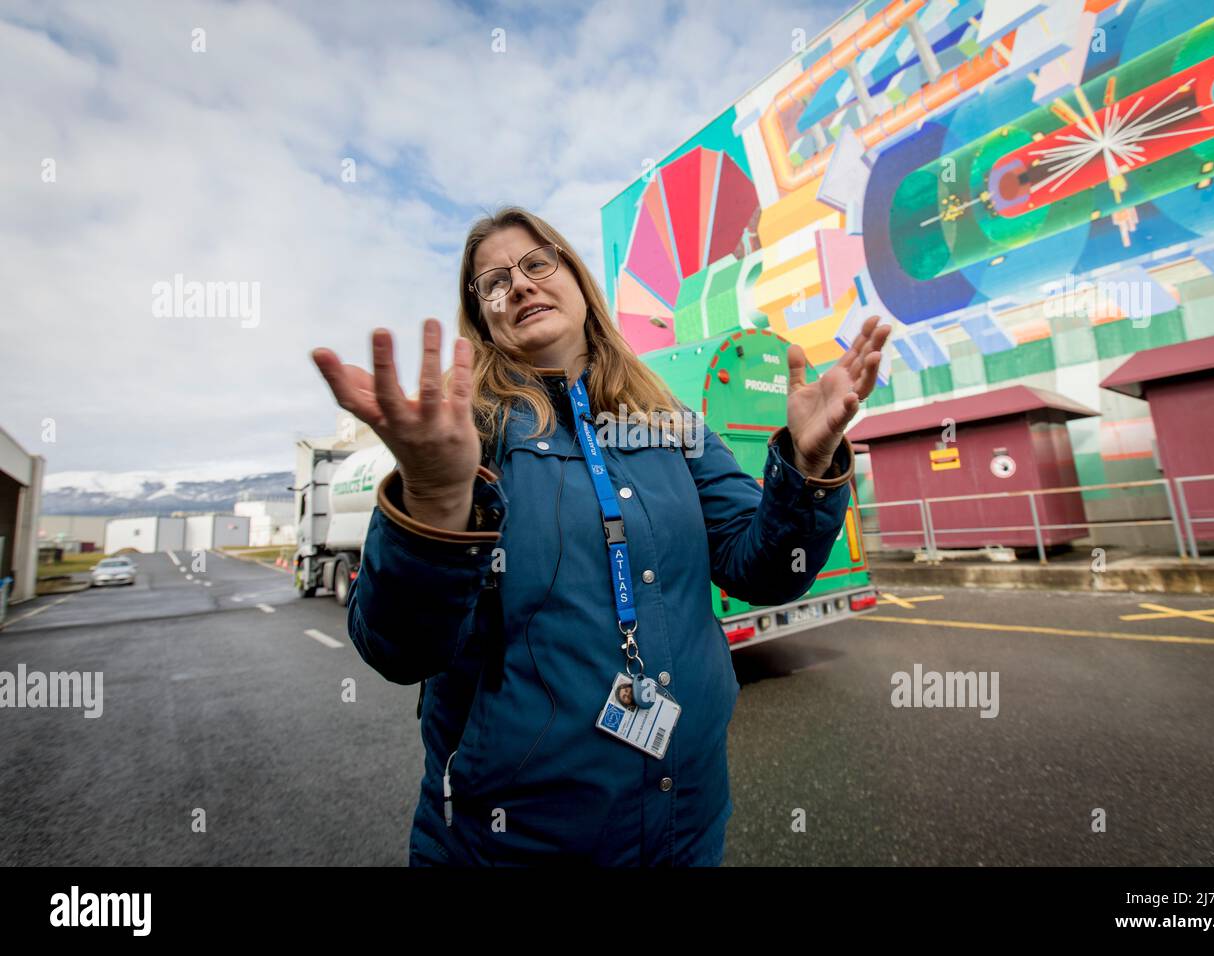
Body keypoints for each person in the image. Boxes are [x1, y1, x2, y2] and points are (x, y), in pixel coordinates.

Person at [310, 206, 890, 867]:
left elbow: (763, 570)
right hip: (509, 848)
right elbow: (399, 650)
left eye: (536, 264)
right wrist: (437, 503)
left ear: (578, 279)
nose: (520, 286)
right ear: (483, 316)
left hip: (685, 824)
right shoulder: (466, 435)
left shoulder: (667, 420)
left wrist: (807, 470)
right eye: (494, 282)